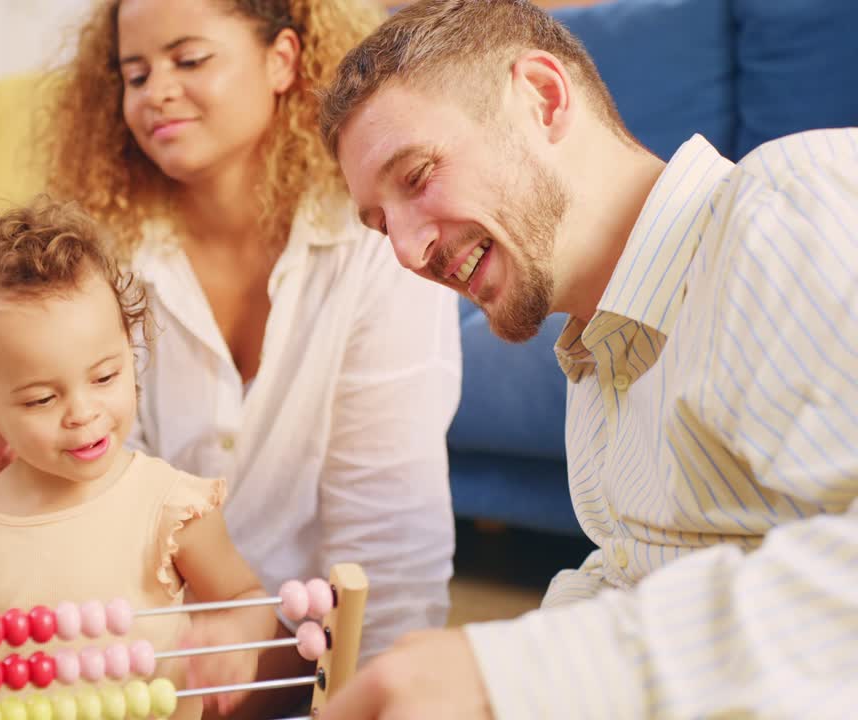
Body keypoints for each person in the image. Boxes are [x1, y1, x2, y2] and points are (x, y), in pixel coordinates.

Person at [0, 1, 462, 718]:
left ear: (283, 59)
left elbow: (392, 536)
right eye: (133, 73)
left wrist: (377, 691)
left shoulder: (378, 241)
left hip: (268, 624)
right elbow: (91, 462)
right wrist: (22, 444)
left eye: (189, 58)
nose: (155, 92)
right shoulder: (106, 252)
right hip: (100, 603)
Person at [312, 1, 858, 718]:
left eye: (416, 177)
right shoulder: (599, 369)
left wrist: (507, 675)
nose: (408, 252)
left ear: (543, 98)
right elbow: (637, 582)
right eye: (382, 225)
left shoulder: (786, 209)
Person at [0, 201, 277, 719]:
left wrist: (237, 636)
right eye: (40, 399)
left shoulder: (170, 507)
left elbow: (245, 596)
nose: (83, 413)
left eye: (105, 377)